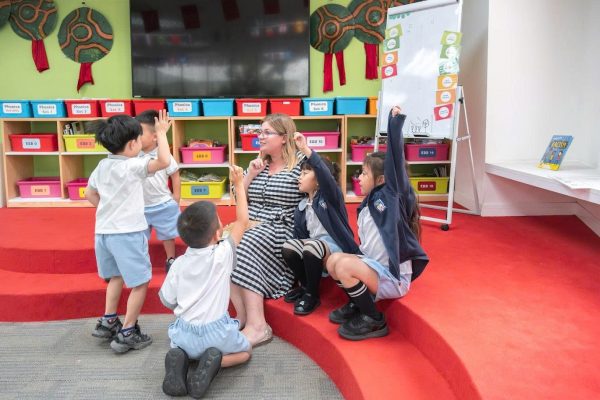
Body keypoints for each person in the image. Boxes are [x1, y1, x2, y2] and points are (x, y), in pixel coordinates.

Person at [326, 106, 429, 341]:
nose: (358, 177)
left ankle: (374, 318)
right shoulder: (368, 203)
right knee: (333, 261)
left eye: (364, 174)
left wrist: (394, 125)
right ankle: (358, 302)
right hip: (374, 267)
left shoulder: (392, 197)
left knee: (344, 266)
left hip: (392, 278)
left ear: (382, 179)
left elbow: (396, 163)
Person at [159, 165, 251, 399]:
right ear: (218, 234)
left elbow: (167, 300)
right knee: (245, 353)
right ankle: (214, 363)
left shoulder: (178, 264)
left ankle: (183, 358)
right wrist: (238, 184)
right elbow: (242, 221)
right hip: (216, 333)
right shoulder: (222, 254)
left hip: (185, 333)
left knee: (179, 346)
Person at [86, 110, 172, 353]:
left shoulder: (102, 165)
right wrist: (162, 133)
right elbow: (164, 162)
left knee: (115, 277)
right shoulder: (133, 165)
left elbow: (89, 194)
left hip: (103, 233)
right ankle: (127, 331)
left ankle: (108, 320)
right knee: (140, 282)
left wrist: (108, 210)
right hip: (128, 233)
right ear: (133, 144)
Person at [229, 113, 305, 346]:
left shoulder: (301, 164)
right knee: (225, 243)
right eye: (259, 132)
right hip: (252, 224)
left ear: (284, 137)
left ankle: (259, 326)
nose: (260, 137)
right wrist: (250, 175)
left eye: (266, 132)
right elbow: (238, 198)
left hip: (281, 228)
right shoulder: (258, 164)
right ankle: (242, 316)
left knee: (245, 242)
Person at [281, 132, 360, 315]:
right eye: (300, 173)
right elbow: (299, 237)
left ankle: (312, 295)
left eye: (305, 173)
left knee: (312, 246)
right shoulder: (302, 206)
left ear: (318, 180)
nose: (299, 177)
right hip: (315, 249)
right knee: (289, 246)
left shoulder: (330, 197)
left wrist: (305, 149)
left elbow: (326, 177)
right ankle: (306, 286)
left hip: (336, 248)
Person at [136, 110, 181, 272]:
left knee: (168, 234)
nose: (135, 136)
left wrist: (176, 197)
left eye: (140, 133)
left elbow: (175, 174)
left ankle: (170, 259)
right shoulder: (133, 154)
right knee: (139, 235)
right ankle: (140, 260)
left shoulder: (163, 154)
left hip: (163, 203)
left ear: (155, 136)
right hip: (140, 205)